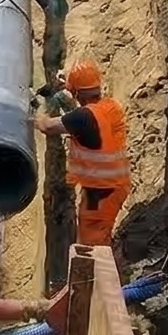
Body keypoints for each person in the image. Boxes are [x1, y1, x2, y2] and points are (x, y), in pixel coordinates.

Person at [34, 59, 130, 255]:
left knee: (91, 249)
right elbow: (86, 116)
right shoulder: (110, 106)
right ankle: (82, 281)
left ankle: (92, 284)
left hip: (100, 193)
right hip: (115, 184)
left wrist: (31, 112)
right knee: (92, 238)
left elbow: (47, 126)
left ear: (75, 92)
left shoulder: (81, 118)